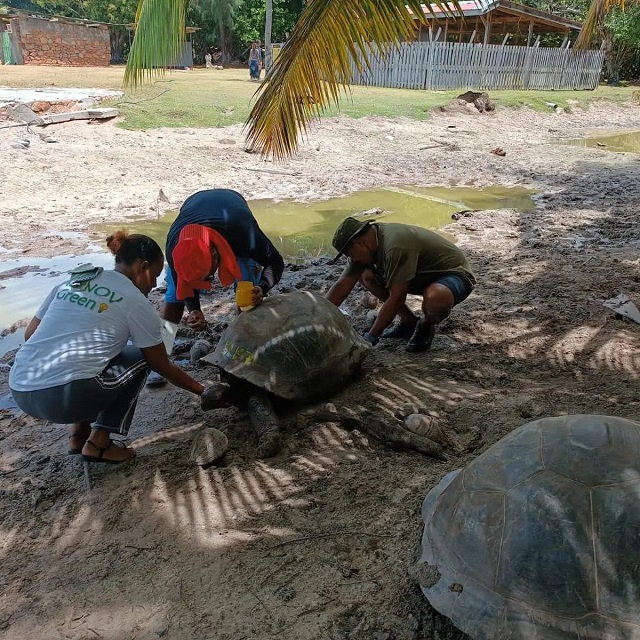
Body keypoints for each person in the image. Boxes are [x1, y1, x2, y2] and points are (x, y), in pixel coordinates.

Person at [9, 231, 211, 464]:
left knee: (92, 355)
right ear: (143, 267)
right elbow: (160, 364)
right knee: (142, 356)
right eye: (155, 275)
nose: (155, 284)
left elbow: (30, 334)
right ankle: (99, 443)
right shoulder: (136, 302)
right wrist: (201, 390)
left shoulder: (73, 281)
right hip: (61, 400)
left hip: (20, 389)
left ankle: (78, 437)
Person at [326, 217, 475, 353]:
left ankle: (425, 325)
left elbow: (397, 298)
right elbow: (342, 285)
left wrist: (370, 338)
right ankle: (408, 321)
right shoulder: (369, 244)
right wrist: (318, 315)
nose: (352, 259)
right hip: (419, 277)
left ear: (360, 243)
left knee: (436, 296)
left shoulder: (396, 245)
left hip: (453, 276)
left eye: (350, 255)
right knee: (365, 276)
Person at [160, 188, 284, 331]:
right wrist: (194, 310)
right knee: (175, 294)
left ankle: (242, 338)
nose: (205, 283)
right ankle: (163, 345)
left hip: (232, 214)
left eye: (208, 276)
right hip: (194, 202)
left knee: (247, 294)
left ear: (214, 254)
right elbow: (183, 285)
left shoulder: (244, 236)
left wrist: (262, 288)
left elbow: (275, 262)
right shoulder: (174, 248)